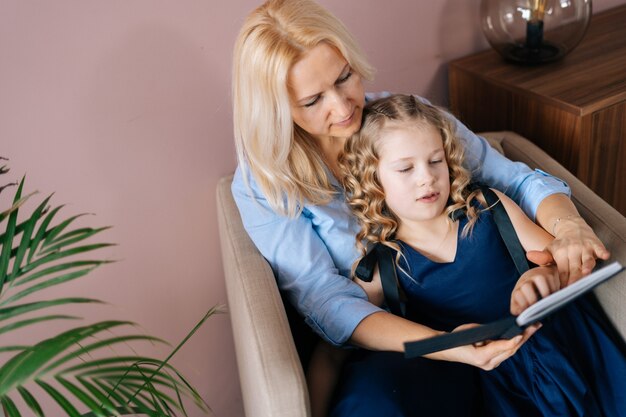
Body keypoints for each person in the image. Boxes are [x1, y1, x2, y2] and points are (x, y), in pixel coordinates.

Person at [231, 0, 610, 415]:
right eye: (312, 101)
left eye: (345, 77)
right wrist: (445, 345)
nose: (343, 108)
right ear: (275, 109)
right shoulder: (264, 185)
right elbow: (330, 307)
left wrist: (569, 228)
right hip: (398, 343)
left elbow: (515, 181)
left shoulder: (405, 118)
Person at [333, 93, 626, 416]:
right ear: (372, 181)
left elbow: (558, 260)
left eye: (435, 161)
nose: (426, 178)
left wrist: (541, 275)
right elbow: (345, 339)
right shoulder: (383, 264)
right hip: (486, 377)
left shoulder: (488, 208)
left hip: (553, 347)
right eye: (405, 168)